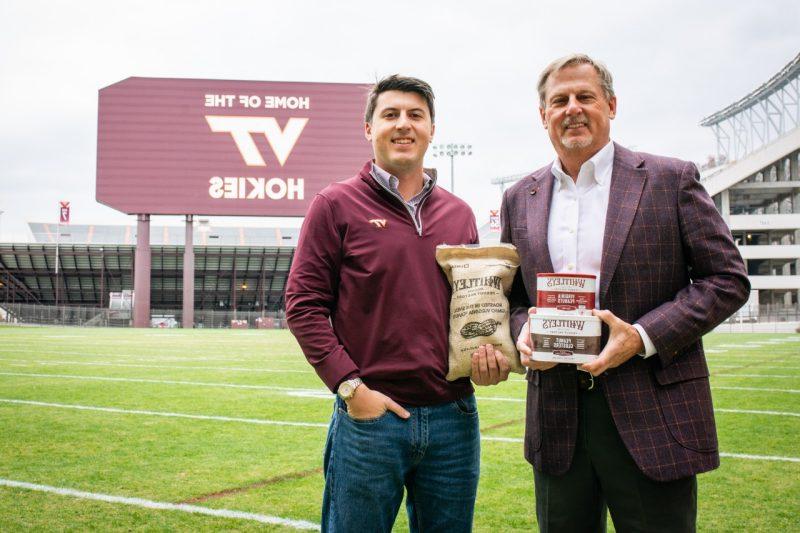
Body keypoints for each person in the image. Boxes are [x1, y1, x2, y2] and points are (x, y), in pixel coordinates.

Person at [501, 54, 750, 532]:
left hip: (650, 409)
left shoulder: (668, 179)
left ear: (611, 105)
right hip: (557, 418)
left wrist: (641, 335)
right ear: (543, 116)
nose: (572, 108)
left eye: (585, 97)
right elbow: (512, 299)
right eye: (559, 100)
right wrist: (524, 329)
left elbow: (727, 279)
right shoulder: (520, 196)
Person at [285, 74, 510, 533]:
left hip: (454, 419)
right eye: (390, 115)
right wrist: (351, 389)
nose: (403, 125)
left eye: (415, 115)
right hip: (370, 420)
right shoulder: (335, 204)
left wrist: (488, 357)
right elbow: (303, 303)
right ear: (368, 128)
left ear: (432, 129)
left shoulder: (460, 213)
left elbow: (472, 310)